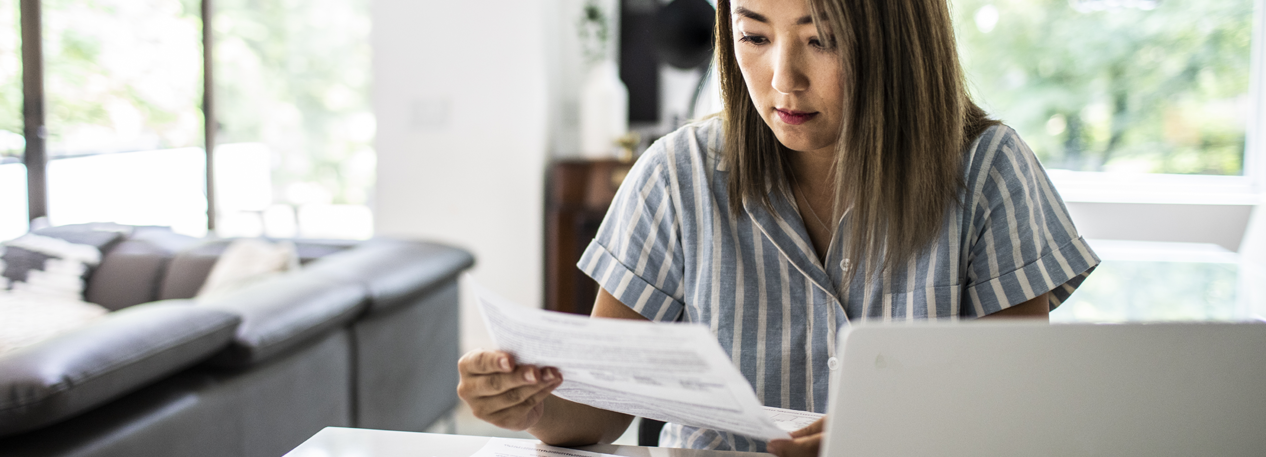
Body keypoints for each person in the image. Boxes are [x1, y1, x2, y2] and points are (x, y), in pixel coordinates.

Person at [458, 0, 1100, 455]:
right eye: (754, 36)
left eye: (822, 40)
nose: (781, 79)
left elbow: (1018, 415)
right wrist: (533, 403)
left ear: (899, 44)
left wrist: (890, 436)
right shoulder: (678, 175)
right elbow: (597, 412)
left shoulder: (989, 172)